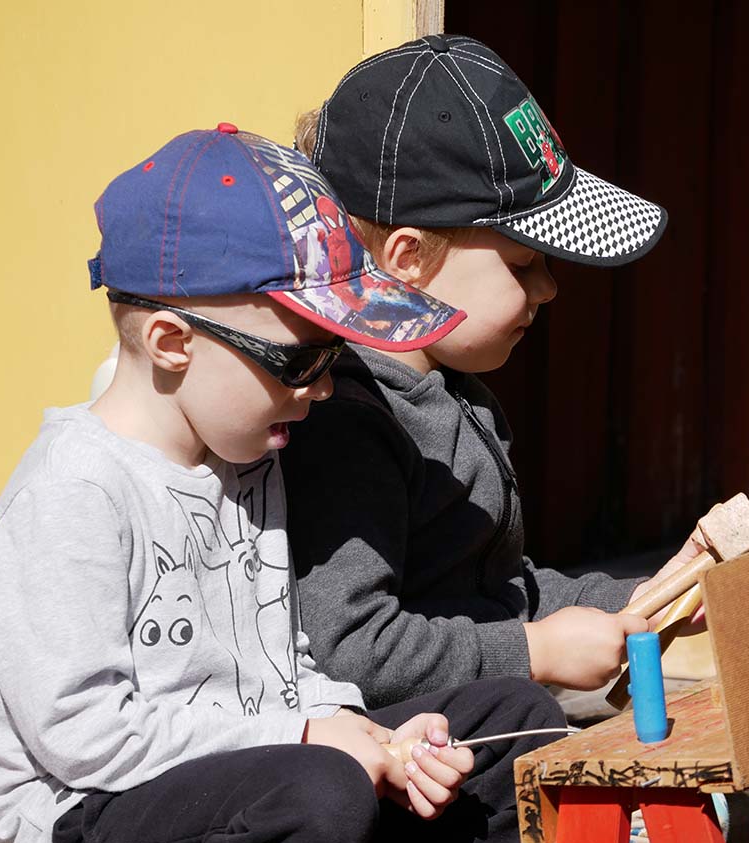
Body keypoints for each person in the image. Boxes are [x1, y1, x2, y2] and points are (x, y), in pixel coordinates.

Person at [0, 125, 568, 843]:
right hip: (92, 824)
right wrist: (314, 737)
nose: (322, 387)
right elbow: (86, 739)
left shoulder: (247, 460)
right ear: (172, 341)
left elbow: (281, 669)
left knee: (517, 722)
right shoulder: (71, 496)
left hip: (268, 781)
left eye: (335, 357)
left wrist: (373, 735)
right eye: (302, 359)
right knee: (319, 797)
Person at [285, 35, 706, 710]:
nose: (549, 289)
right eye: (522, 263)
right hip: (405, 764)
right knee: (535, 712)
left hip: (468, 719)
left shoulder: (454, 394)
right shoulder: (347, 422)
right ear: (408, 257)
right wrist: (535, 652)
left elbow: (497, 594)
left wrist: (638, 600)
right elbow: (352, 650)